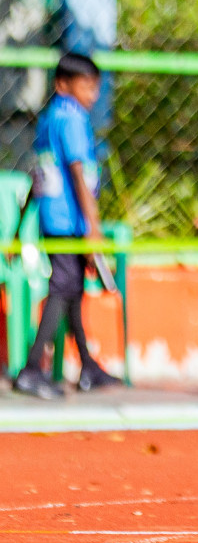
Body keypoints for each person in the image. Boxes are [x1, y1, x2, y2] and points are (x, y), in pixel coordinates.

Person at [12, 52, 122, 400]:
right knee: (62, 289)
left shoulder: (48, 119)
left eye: (95, 88)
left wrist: (20, 224)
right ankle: (31, 369)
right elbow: (76, 170)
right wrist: (93, 226)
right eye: (86, 86)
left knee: (72, 290)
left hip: (53, 217)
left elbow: (39, 171)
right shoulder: (72, 118)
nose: (91, 94)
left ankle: (87, 366)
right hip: (69, 220)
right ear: (63, 84)